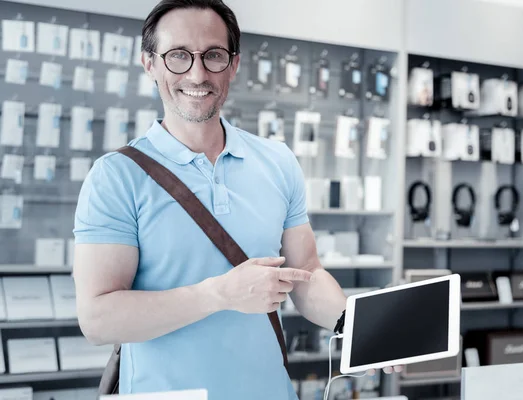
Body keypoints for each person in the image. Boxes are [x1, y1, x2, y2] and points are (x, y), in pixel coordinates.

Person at [72, 0, 401, 398]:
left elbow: (306, 273)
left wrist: (355, 326)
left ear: (234, 64)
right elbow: (98, 318)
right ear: (150, 64)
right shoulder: (116, 176)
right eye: (178, 55)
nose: (197, 73)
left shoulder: (277, 161)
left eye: (213, 55)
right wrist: (218, 295)